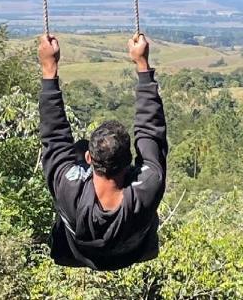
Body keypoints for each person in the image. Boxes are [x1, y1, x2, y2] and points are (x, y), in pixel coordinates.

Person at [38, 31, 168, 271]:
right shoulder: (148, 186)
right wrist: (142, 64)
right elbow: (151, 133)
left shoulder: (70, 189)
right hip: (131, 252)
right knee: (70, 152)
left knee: (72, 149)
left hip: (78, 253)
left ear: (89, 159)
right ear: (130, 161)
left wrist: (49, 68)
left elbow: (54, 136)